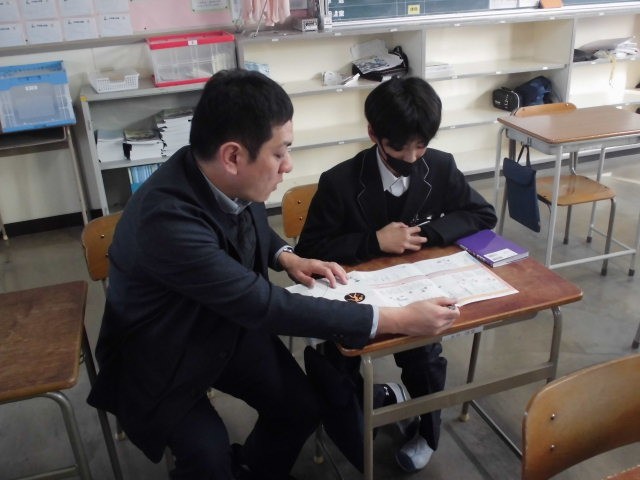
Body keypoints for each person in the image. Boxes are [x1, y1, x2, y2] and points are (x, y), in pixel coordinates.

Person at [86, 69, 461, 480]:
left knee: (300, 406)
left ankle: (253, 469)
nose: (288, 165)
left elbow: (246, 222)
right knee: (208, 456)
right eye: (280, 153)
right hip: (163, 354)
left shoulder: (215, 173)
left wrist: (285, 256)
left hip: (222, 327)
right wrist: (395, 318)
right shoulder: (167, 223)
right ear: (233, 156)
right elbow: (264, 305)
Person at [295, 76, 497, 472]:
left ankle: (427, 431)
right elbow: (310, 251)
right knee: (339, 365)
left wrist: (428, 234)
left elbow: (481, 214)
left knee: (424, 355)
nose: (411, 157)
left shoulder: (439, 166)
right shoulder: (339, 181)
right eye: (398, 148)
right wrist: (373, 241)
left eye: (420, 146)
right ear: (373, 134)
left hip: (415, 288)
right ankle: (368, 408)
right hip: (355, 295)